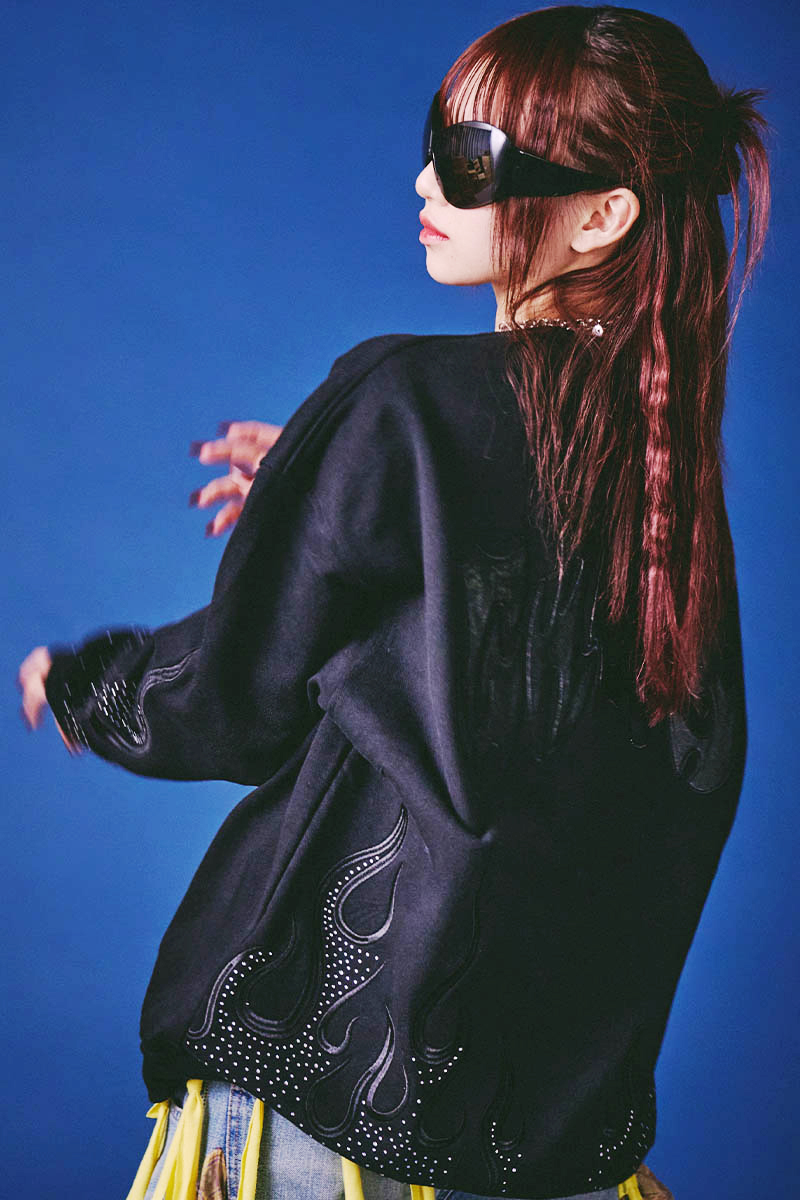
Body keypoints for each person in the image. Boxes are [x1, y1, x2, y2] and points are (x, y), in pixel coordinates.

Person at [17, 5, 770, 1200]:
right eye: (434, 142)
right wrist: (335, 483)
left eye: (469, 158)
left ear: (600, 214)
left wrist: (85, 685)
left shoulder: (404, 398)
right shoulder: (667, 475)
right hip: (563, 1147)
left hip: (329, 1129)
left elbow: (234, 701)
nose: (425, 179)